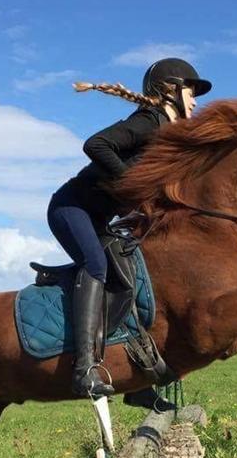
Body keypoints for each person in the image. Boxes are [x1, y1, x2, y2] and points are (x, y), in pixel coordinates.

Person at [48, 58, 212, 397]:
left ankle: (135, 377)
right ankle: (84, 369)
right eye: (191, 91)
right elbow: (95, 144)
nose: (195, 100)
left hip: (96, 219)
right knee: (96, 265)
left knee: (130, 276)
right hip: (70, 209)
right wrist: (131, 183)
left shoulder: (168, 138)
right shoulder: (148, 122)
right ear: (170, 91)